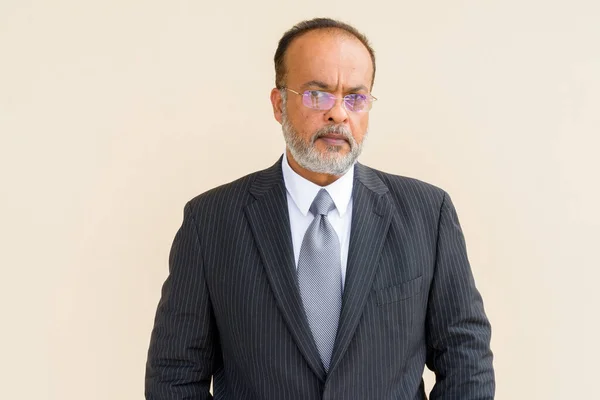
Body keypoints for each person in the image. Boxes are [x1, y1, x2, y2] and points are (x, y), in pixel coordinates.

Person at [145, 18, 495, 400]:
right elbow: (175, 377)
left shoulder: (429, 213)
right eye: (318, 95)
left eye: (355, 98)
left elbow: (467, 359)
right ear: (279, 104)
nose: (339, 114)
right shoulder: (209, 222)